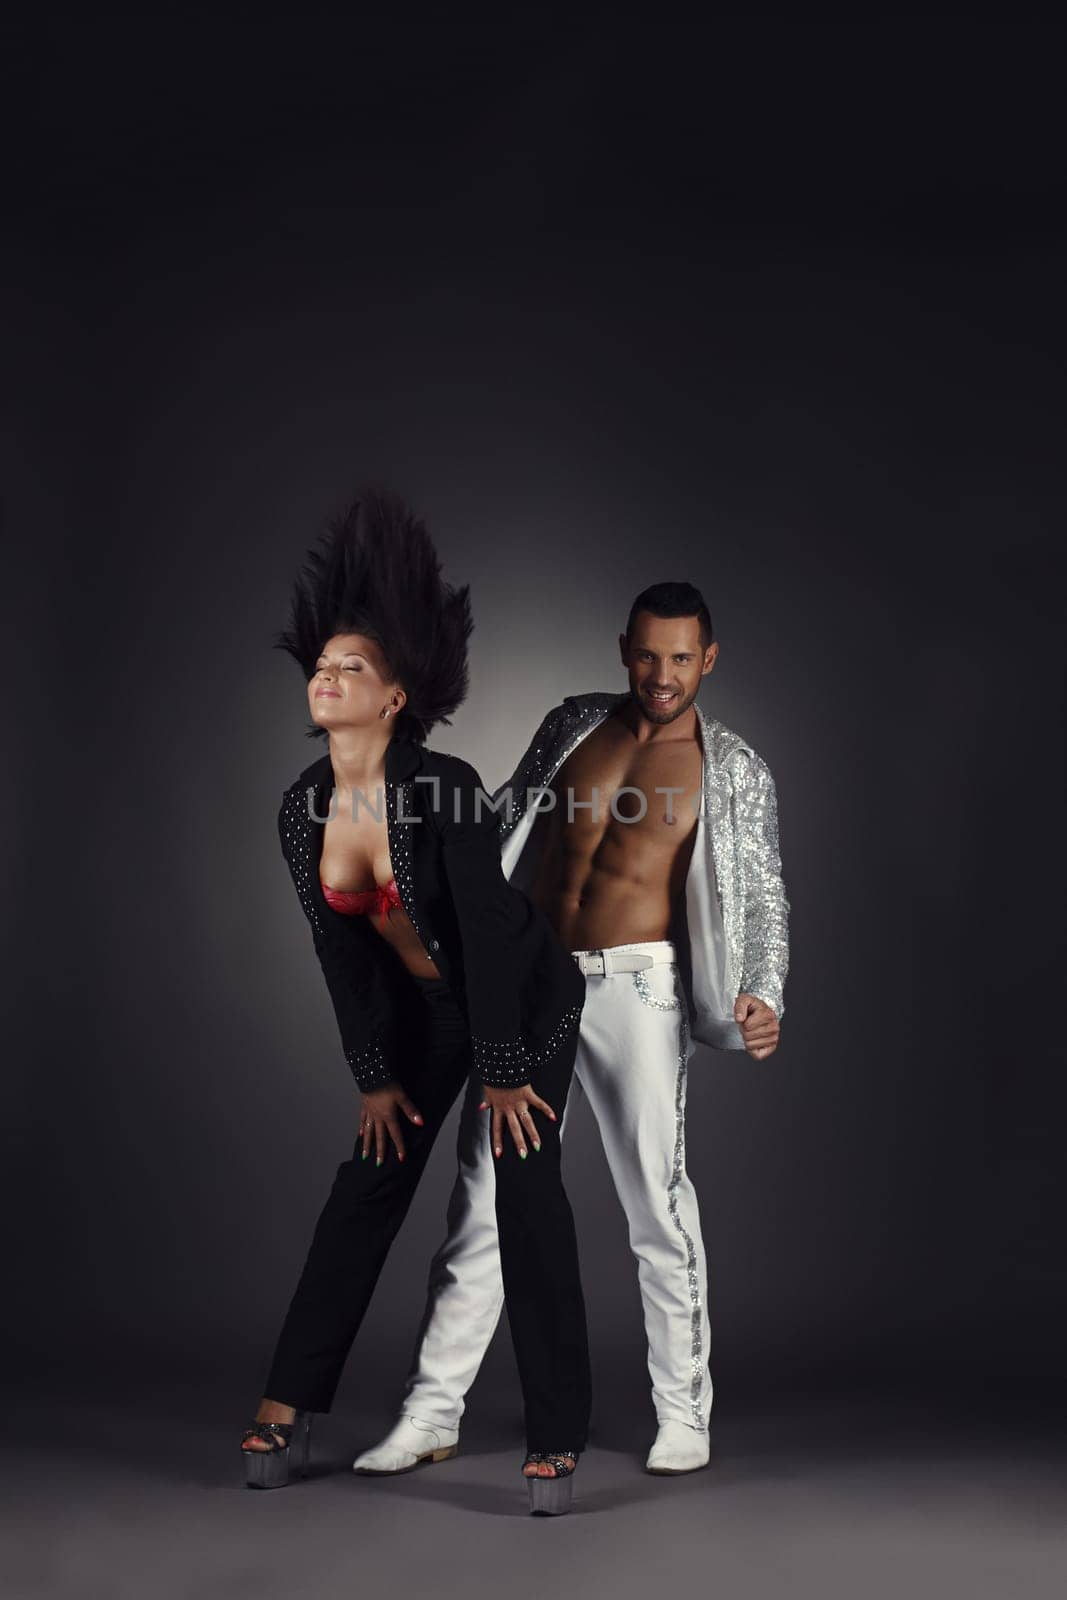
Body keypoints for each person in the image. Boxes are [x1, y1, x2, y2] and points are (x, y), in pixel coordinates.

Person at [353, 581, 789, 1478]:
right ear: (620, 646)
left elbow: (762, 890)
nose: (659, 675)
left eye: (679, 659)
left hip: (639, 986)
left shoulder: (732, 766)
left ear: (707, 660)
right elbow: (507, 816)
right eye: (645, 654)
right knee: (480, 1203)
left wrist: (762, 990)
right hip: (534, 982)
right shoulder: (572, 724)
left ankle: (683, 1412)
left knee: (655, 1208)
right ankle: (430, 1413)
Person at [241, 489, 591, 1515]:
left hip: (518, 1005)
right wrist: (376, 1076)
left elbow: (486, 933)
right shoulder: (301, 810)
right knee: (366, 1184)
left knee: (525, 1188)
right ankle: (284, 1400)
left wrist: (504, 1067)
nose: (327, 675)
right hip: (421, 1020)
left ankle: (555, 1433)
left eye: (352, 667)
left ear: (395, 699)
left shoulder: (444, 786)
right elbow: (338, 950)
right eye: (322, 664)